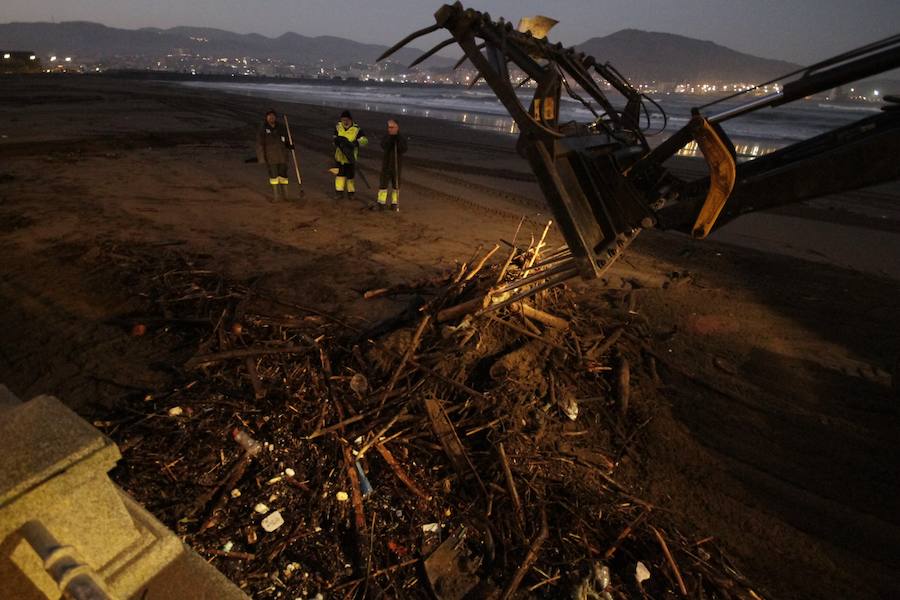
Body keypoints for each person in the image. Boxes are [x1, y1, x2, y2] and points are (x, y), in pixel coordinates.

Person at [255, 109, 294, 201]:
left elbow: (286, 140)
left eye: (273, 116)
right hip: (271, 157)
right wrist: (261, 158)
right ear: (266, 118)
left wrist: (290, 146)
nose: (271, 118)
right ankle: (276, 197)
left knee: (284, 176)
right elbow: (259, 144)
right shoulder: (263, 129)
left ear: (275, 117)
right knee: (274, 177)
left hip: (282, 156)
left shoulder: (281, 128)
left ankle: (286, 196)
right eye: (269, 116)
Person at [332, 110, 368, 200]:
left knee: (350, 177)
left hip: (351, 157)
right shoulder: (338, 127)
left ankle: (351, 193)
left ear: (350, 119)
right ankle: (339, 193)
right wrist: (337, 142)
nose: (345, 121)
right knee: (340, 175)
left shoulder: (357, 129)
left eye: (346, 119)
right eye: (343, 119)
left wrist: (355, 143)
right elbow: (334, 139)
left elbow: (365, 141)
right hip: (339, 157)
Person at [377, 119, 408, 211]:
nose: (389, 129)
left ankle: (394, 203)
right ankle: (381, 203)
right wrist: (390, 139)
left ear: (397, 127)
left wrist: (397, 139)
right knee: (383, 184)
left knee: (396, 185)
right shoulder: (386, 137)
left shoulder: (401, 138)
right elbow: (383, 145)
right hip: (386, 164)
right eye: (389, 127)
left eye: (392, 127)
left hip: (396, 165)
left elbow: (403, 149)